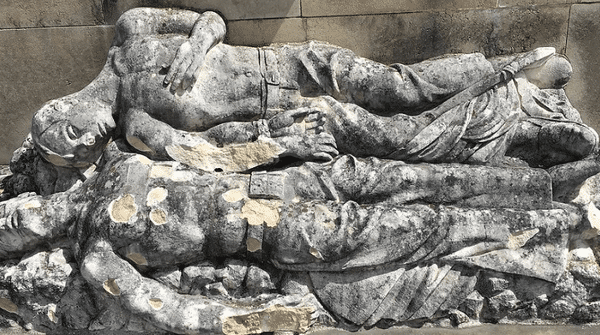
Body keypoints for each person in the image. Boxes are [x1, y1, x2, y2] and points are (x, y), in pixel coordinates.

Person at [0, 142, 570, 335]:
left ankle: (541, 184)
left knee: (410, 176)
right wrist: (250, 319)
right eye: (5, 236)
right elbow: (167, 308)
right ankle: (549, 228)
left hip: (283, 176)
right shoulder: (97, 257)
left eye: (4, 216)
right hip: (277, 233)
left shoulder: (114, 163)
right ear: (25, 247)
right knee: (420, 228)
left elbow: (203, 149)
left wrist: (271, 141)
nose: (13, 223)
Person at [29, 7, 597, 173]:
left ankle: (511, 70)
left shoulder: (132, 31)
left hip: (288, 60)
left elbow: (210, 18)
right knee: (394, 133)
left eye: (73, 136)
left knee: (397, 84)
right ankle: (510, 131)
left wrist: (195, 46)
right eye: (80, 151)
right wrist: (277, 142)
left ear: (61, 110)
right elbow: (211, 152)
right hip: (292, 108)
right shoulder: (137, 128)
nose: (88, 142)